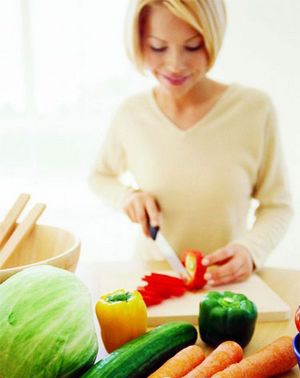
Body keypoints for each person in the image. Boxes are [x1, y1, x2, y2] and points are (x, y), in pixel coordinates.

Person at [89, 0, 293, 286]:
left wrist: (251, 250)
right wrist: (128, 197)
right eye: (158, 47)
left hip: (228, 285)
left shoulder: (254, 110)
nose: (175, 64)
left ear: (213, 39)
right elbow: (99, 177)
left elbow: (277, 206)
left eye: (193, 46)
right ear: (138, 42)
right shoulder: (131, 114)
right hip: (153, 281)